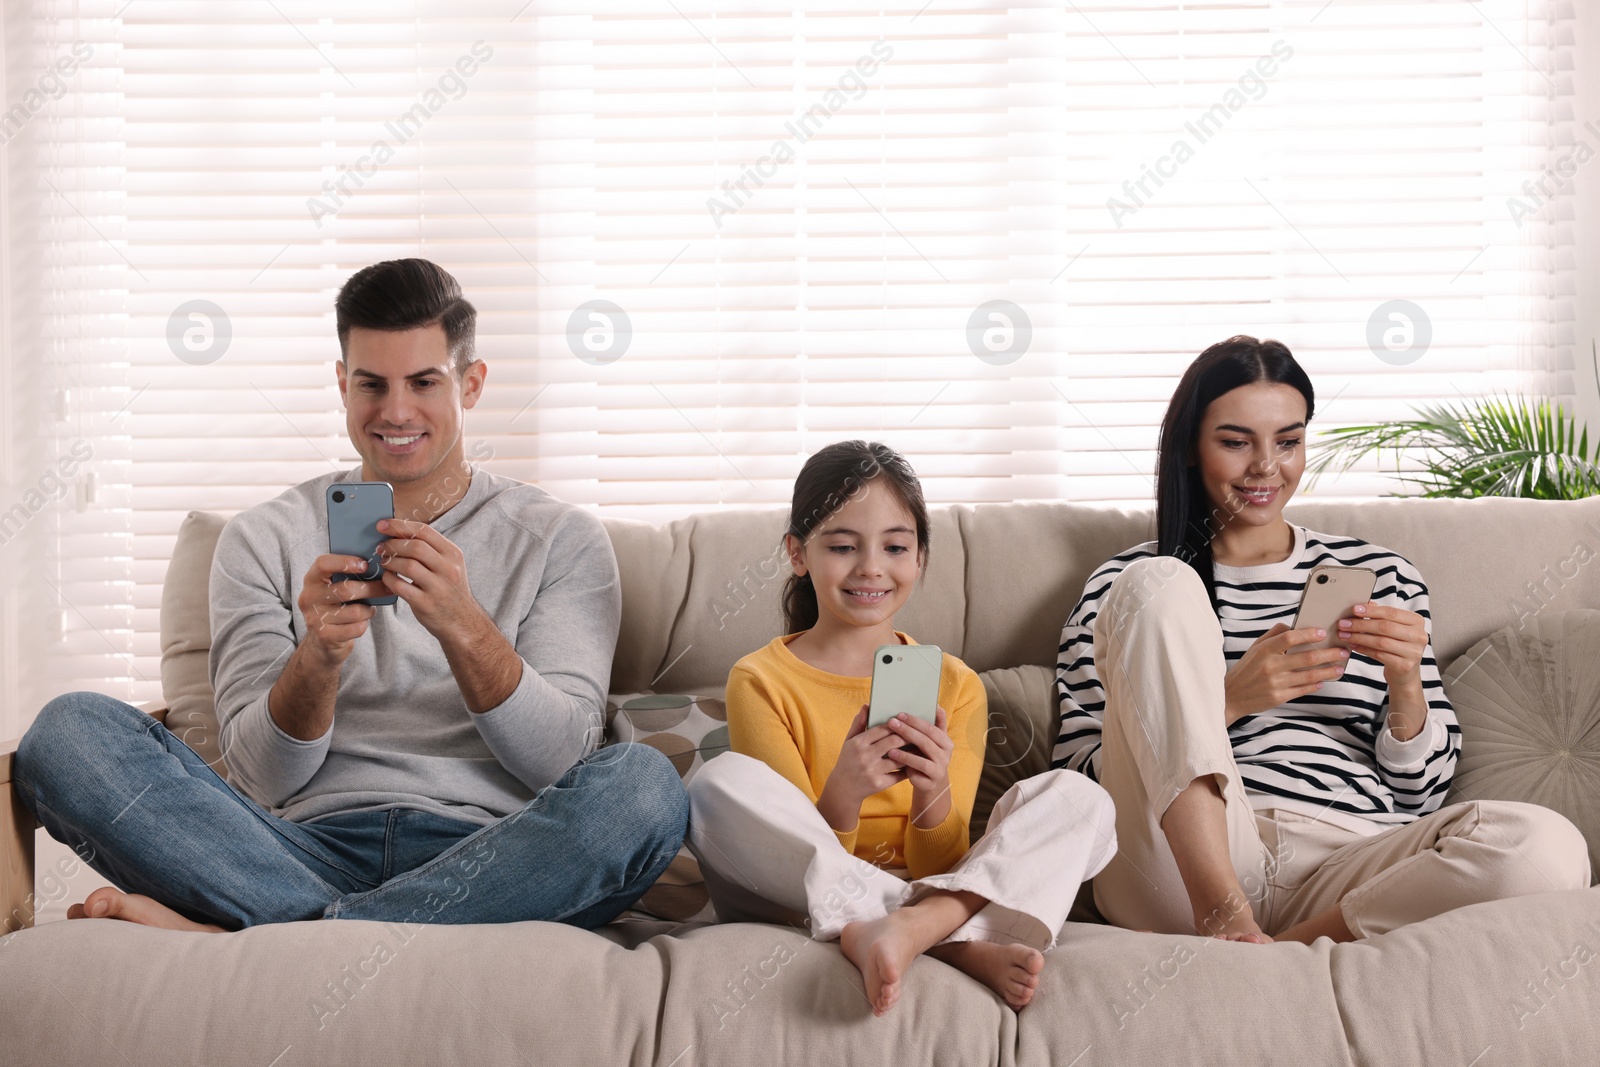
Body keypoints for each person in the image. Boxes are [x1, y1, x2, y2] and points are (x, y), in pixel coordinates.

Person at [14, 258, 687, 932]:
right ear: (342, 385)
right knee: (68, 735)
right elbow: (259, 778)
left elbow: (563, 759)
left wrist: (465, 625)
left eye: (424, 381)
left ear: (472, 385)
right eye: (372, 384)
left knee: (644, 788)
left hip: (494, 858)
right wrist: (318, 658)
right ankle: (366, 929)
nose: (396, 411)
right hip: (295, 851)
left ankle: (295, 934)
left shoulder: (561, 539)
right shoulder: (260, 539)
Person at [1053, 334, 1589, 944]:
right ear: (1190, 450)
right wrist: (1229, 700)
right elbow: (1083, 788)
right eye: (1235, 442)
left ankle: (1279, 955)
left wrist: (1406, 680)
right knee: (1159, 581)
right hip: (1184, 864)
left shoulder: (1384, 575)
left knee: (1548, 846)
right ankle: (1227, 918)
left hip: (1352, 859)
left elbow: (1424, 793)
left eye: (1288, 441)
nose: (1266, 467)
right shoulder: (1124, 588)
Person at [688, 440, 1117, 1016]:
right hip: (800, 896)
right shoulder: (760, 679)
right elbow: (790, 846)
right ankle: (948, 937)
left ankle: (909, 928)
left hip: (926, 882)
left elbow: (938, 866)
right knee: (717, 784)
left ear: (920, 560)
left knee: (1081, 798)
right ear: (797, 554)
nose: (871, 567)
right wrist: (843, 794)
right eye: (842, 546)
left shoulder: (956, 685)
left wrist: (932, 793)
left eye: (895, 546)